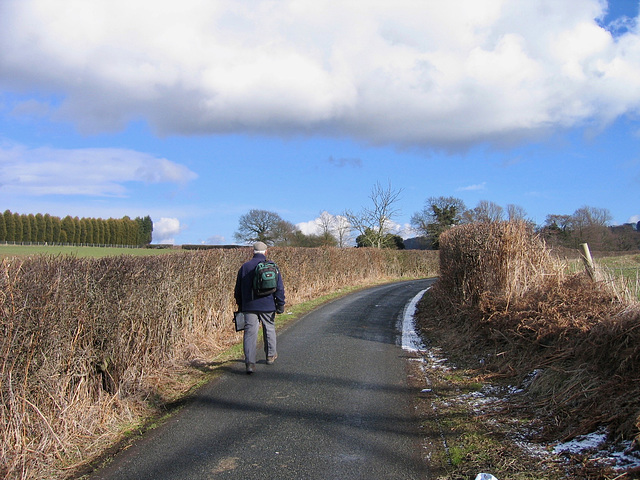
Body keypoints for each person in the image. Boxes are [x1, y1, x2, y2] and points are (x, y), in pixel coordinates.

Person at [234, 241, 285, 374]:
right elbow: (279, 288)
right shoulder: (272, 266)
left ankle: (250, 363)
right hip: (268, 305)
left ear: (253, 252)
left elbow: (237, 290)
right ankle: (270, 356)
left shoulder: (245, 267)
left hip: (249, 306)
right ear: (266, 252)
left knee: (250, 333)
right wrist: (280, 304)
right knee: (269, 328)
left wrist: (241, 305)